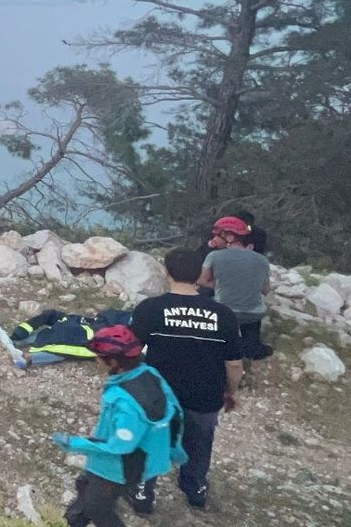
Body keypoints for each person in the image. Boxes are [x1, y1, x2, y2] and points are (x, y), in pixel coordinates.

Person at [129, 249, 243, 511]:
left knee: (151, 441)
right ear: (200, 276)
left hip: (159, 395)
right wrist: (230, 392)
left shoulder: (150, 309)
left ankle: (143, 495)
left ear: (167, 272)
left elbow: (130, 353)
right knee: (200, 443)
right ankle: (195, 489)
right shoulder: (223, 314)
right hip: (204, 396)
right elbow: (234, 363)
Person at [51, 326, 186, 527]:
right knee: (85, 487)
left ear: (113, 362)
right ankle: (73, 521)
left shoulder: (126, 403)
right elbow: (176, 412)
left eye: (98, 357)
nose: (95, 360)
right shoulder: (149, 374)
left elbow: (119, 446)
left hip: (119, 467)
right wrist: (175, 450)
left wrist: (73, 443)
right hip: (134, 459)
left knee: (98, 507)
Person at [198, 216, 273, 360]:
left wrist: (220, 284)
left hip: (224, 313)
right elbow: (265, 290)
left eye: (218, 235)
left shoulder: (214, 256)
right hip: (253, 314)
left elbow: (202, 281)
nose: (214, 239)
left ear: (230, 237)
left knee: (205, 297)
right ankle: (252, 347)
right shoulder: (261, 260)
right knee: (252, 311)